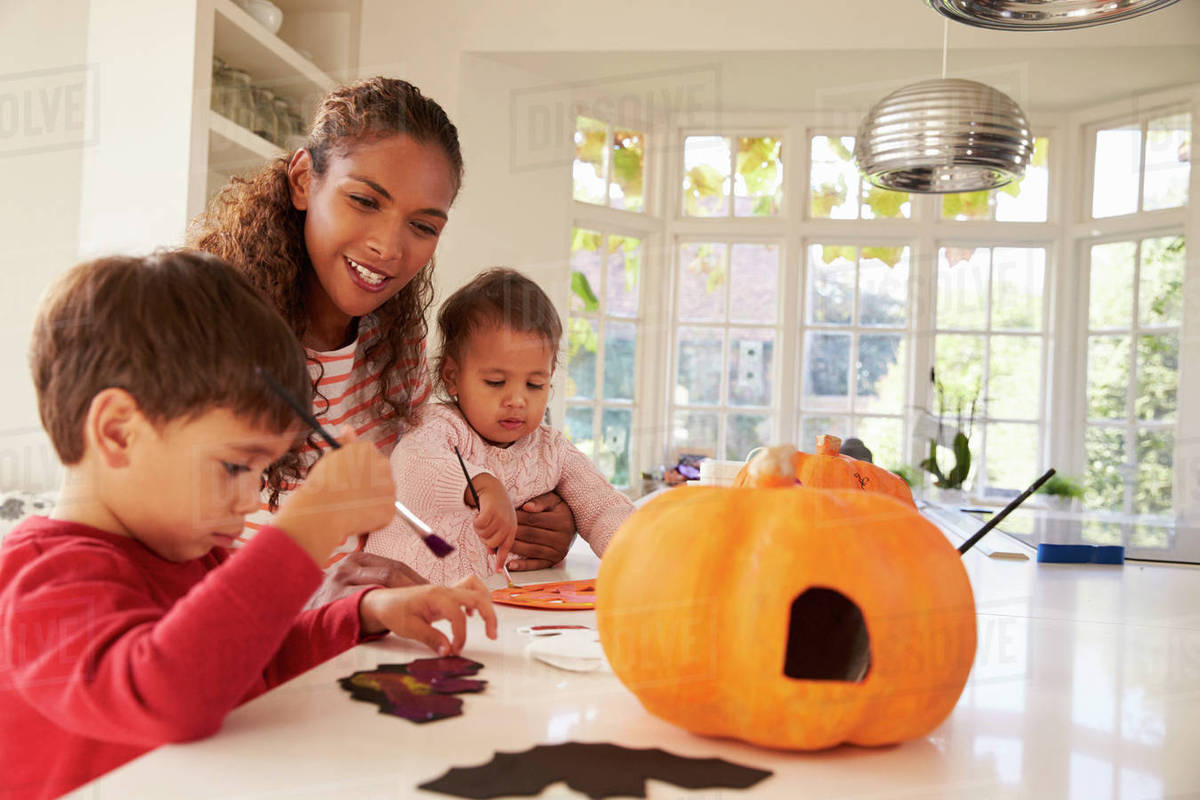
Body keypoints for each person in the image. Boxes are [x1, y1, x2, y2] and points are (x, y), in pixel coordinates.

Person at [0, 252, 497, 800]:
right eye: (236, 466)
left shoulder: (194, 553)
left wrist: (363, 612)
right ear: (119, 432)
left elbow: (249, 661)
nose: (251, 496)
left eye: (261, 471)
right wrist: (312, 522)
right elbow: (168, 694)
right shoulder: (39, 580)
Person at [188, 77, 576, 592]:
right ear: (304, 179)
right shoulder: (201, 330)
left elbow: (420, 501)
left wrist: (538, 521)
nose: (389, 248)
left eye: (422, 226)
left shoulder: (398, 348)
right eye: (366, 202)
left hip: (358, 641)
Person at [365, 268, 635, 584]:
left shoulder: (552, 449)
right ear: (452, 377)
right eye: (496, 382)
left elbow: (602, 508)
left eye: (535, 384)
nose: (517, 400)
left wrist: (640, 552)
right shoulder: (439, 425)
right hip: (404, 599)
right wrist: (481, 484)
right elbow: (412, 470)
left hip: (497, 607)